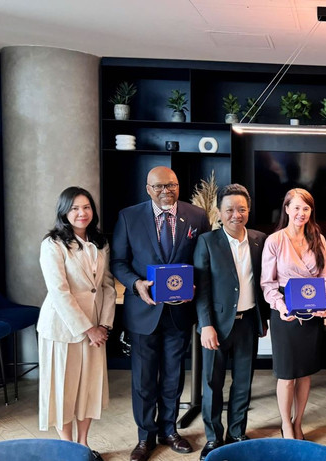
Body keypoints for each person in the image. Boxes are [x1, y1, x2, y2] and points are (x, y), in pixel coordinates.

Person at [110, 166, 210, 461]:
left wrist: (196, 282)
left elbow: (203, 259)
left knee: (173, 375)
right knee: (143, 379)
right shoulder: (129, 217)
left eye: (172, 186)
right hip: (145, 310)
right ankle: (145, 437)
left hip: (180, 313)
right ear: (147, 188)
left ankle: (170, 430)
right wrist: (135, 283)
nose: (166, 191)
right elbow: (118, 261)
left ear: (179, 186)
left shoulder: (196, 216)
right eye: (159, 187)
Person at [38, 186, 115, 461]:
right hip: (63, 328)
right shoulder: (53, 244)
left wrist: (104, 325)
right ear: (64, 212)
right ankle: (66, 449)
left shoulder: (100, 242)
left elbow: (106, 286)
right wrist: (87, 328)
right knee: (64, 390)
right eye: (74, 208)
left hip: (96, 328)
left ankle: (83, 447)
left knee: (89, 389)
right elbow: (59, 292)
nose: (81, 213)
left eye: (86, 207)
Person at [193, 184, 269, 460]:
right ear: (219, 212)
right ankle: (213, 438)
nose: (236, 215)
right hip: (216, 325)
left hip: (248, 322)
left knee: (242, 382)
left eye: (241, 209)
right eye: (230, 210)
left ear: (248, 210)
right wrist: (205, 325)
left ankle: (237, 432)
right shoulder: (207, 241)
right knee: (212, 384)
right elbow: (201, 288)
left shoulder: (261, 240)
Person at [260, 188, 326, 440]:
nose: (301, 213)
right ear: (287, 209)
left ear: (311, 211)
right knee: (287, 374)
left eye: (306, 208)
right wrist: (282, 307)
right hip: (285, 314)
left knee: (304, 373)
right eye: (296, 207)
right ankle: (286, 424)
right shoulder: (275, 241)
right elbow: (267, 284)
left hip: (312, 313)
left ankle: (298, 421)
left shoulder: (318, 239)